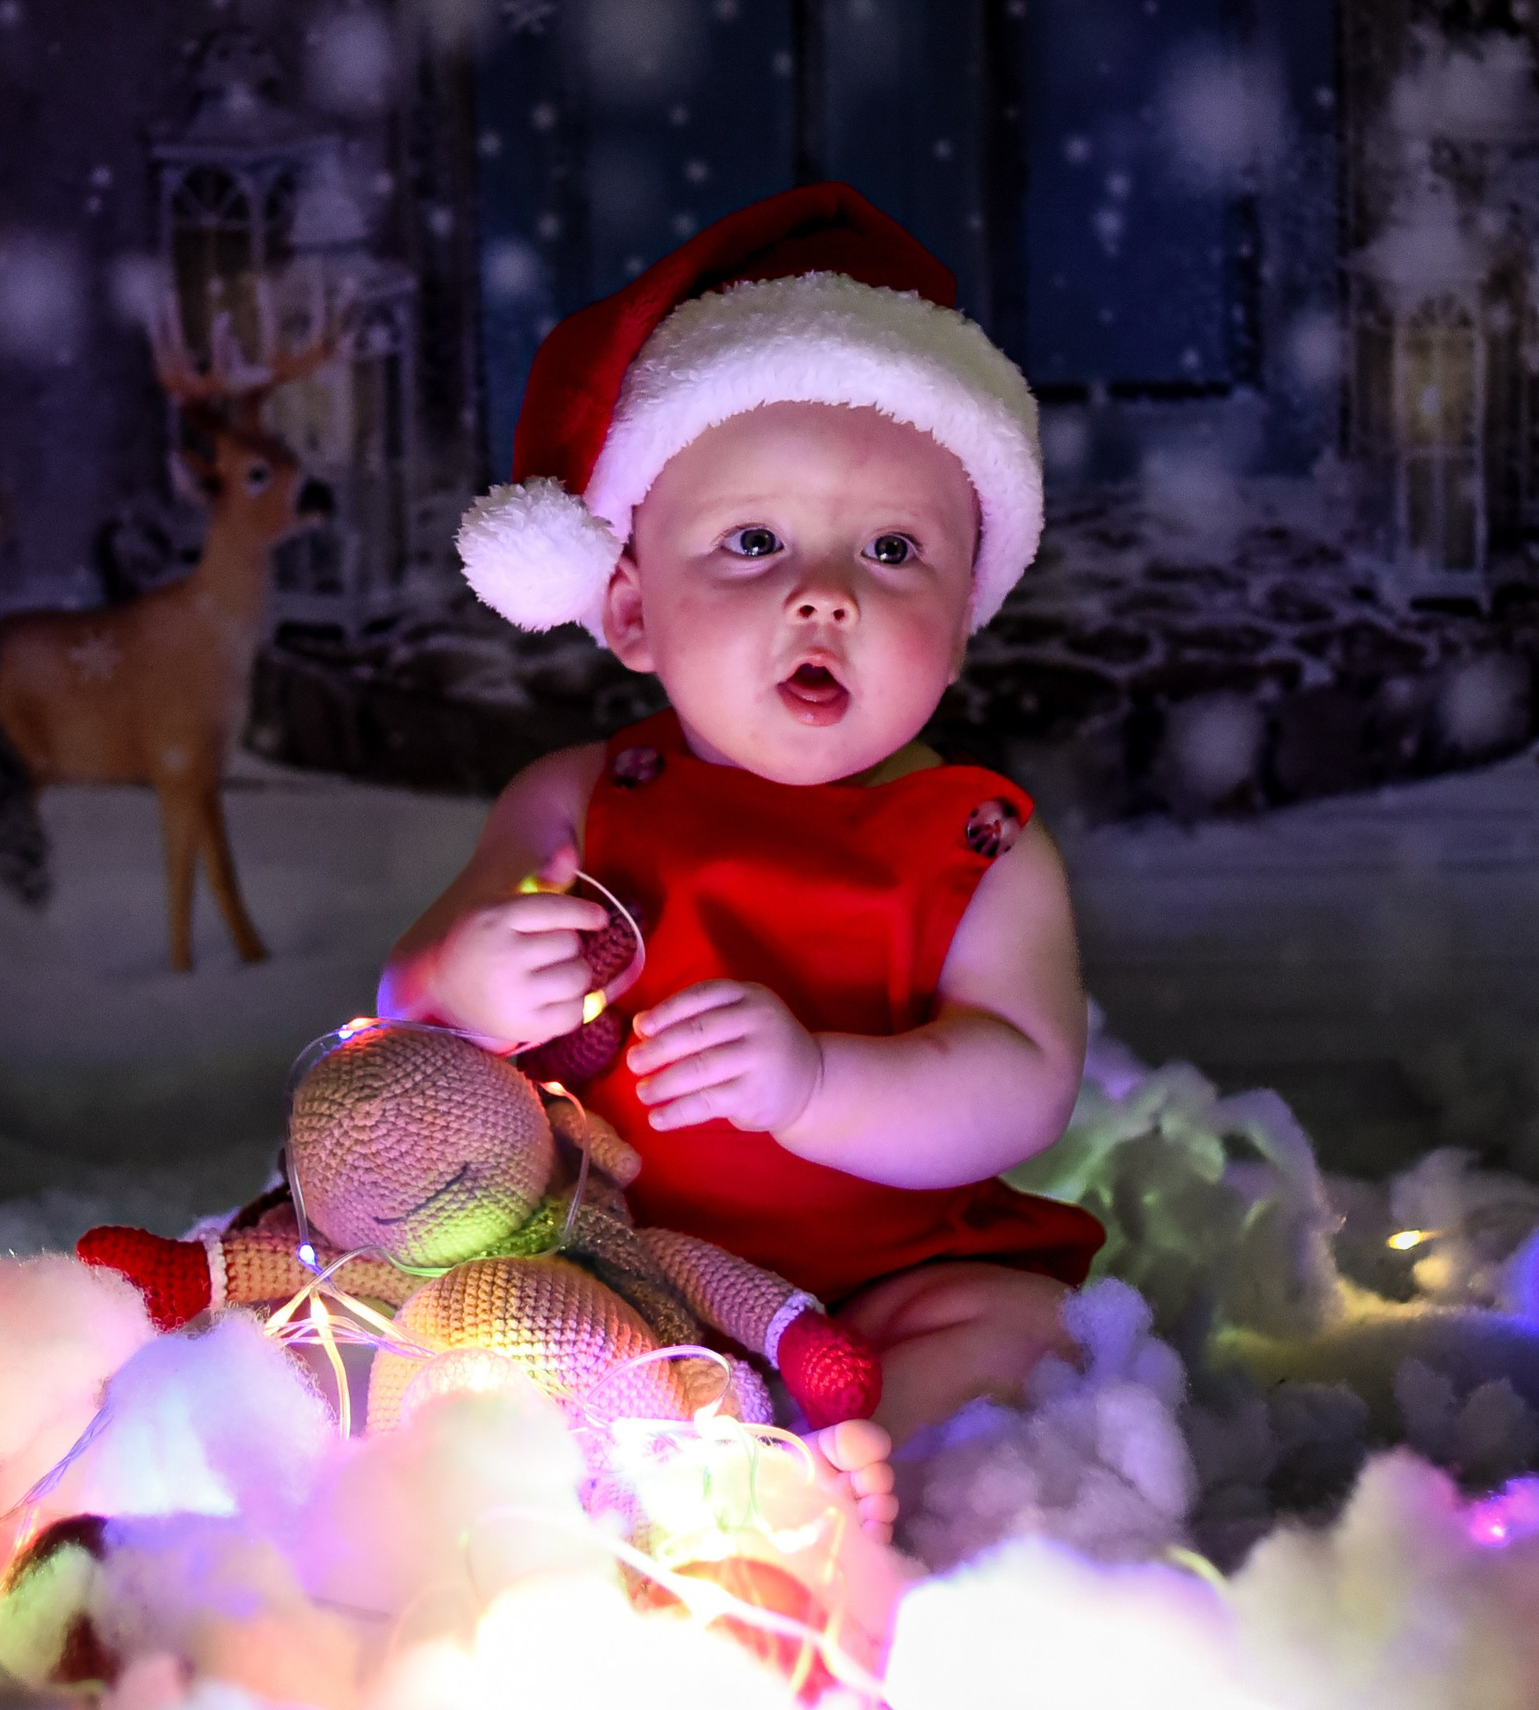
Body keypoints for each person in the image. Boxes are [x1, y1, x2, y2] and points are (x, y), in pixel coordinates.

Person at [380, 185, 1103, 1539]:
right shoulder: (586, 798)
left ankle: (822, 1456)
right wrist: (468, 974)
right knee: (482, 1327)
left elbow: (1021, 1084)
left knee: (1025, 1330)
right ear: (634, 610)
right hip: (622, 1263)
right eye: (754, 542)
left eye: (895, 550)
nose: (825, 591)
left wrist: (819, 1082)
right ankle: (644, 1440)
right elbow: (408, 996)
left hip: (886, 1277)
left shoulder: (980, 841)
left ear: (963, 620)